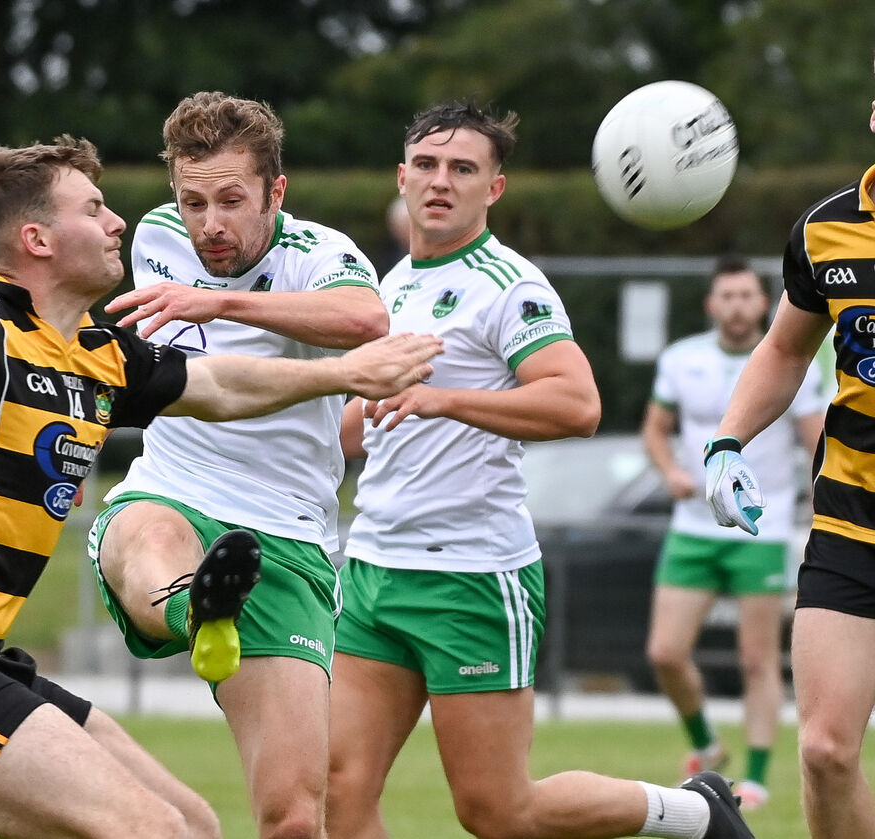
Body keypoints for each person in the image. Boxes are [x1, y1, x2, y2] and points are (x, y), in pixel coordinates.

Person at [0, 134, 439, 839]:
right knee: (155, 832)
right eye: (94, 208)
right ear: (38, 238)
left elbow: (219, 383)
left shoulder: (99, 352)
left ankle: (193, 609)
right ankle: (188, 607)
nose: (120, 222)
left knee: (196, 823)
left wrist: (342, 374)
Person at [324, 100, 757, 839]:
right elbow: (363, 426)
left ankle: (693, 811)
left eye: (463, 169)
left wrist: (444, 400)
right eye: (426, 165)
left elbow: (577, 402)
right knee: (337, 790)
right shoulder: (391, 285)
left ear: (494, 189)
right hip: (371, 568)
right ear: (401, 177)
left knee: (498, 810)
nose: (440, 181)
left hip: (470, 577)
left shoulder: (509, 285)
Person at [88, 91, 388, 839]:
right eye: (193, 201)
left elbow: (364, 320)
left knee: (292, 819)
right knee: (151, 540)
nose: (210, 224)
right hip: (173, 489)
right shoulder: (156, 233)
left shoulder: (320, 253)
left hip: (286, 538)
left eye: (231, 199)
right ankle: (198, 608)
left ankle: (210, 603)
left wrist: (218, 304)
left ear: (274, 192)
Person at [706, 57, 875, 839]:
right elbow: (783, 350)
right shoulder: (826, 229)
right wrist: (726, 442)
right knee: (826, 749)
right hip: (850, 519)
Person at [642, 257, 824, 810]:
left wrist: (823, 511)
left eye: (747, 295)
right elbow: (656, 428)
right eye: (728, 296)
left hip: (759, 532)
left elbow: (814, 440)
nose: (738, 305)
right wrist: (671, 471)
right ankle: (708, 746)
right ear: (711, 304)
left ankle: (760, 777)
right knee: (665, 653)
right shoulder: (681, 359)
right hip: (693, 529)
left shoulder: (794, 363)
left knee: (756, 659)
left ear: (763, 303)